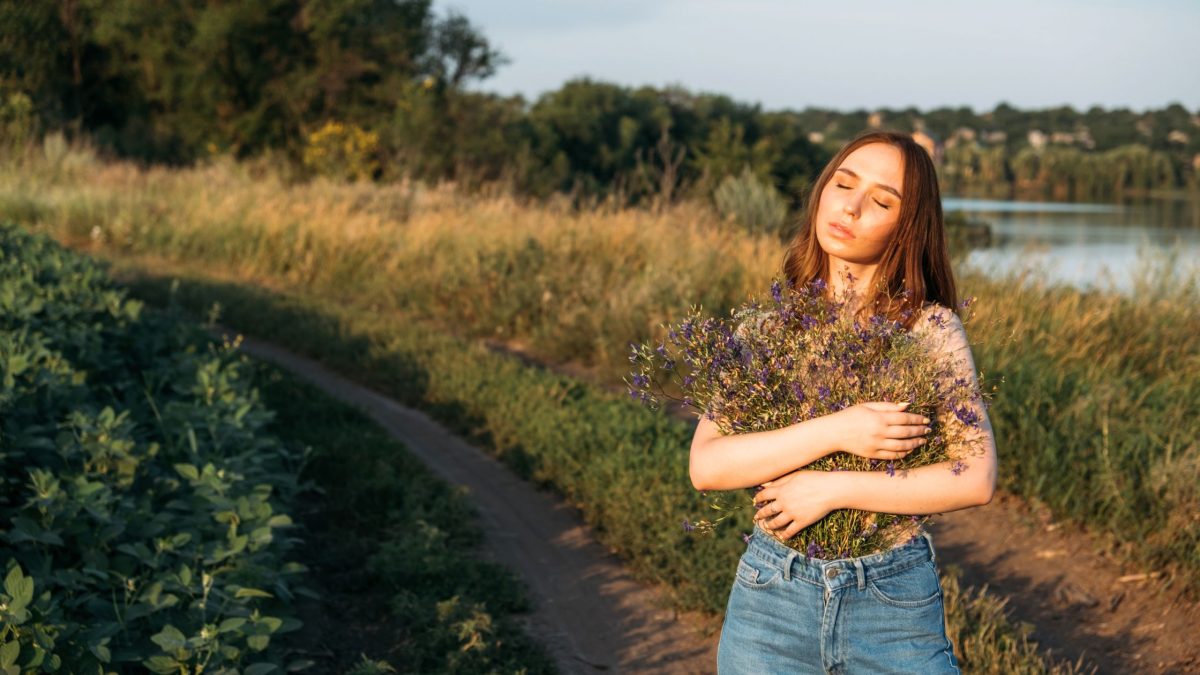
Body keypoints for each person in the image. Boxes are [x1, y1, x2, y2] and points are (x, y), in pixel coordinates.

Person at [689, 130, 998, 674]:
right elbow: (707, 465)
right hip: (771, 600)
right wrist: (837, 430)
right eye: (843, 184)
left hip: (892, 603)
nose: (851, 207)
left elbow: (974, 478)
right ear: (821, 192)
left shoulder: (929, 330)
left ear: (908, 225)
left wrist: (829, 488)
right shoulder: (768, 329)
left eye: (881, 201)